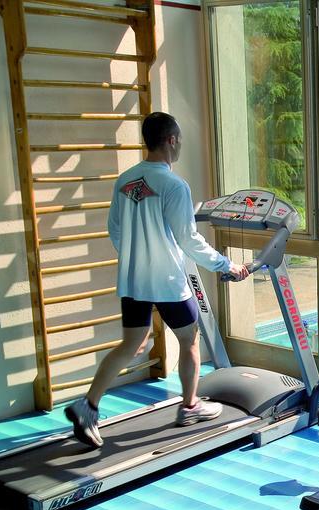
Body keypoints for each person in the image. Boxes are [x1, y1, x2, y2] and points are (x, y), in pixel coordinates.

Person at [64, 112, 249, 448]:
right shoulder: (174, 185)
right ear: (171, 140)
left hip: (133, 280)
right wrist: (226, 265)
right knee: (189, 341)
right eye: (179, 139)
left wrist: (138, 256)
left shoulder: (125, 179)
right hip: (167, 282)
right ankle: (190, 407)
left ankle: (87, 405)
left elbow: (115, 229)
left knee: (130, 344)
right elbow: (188, 239)